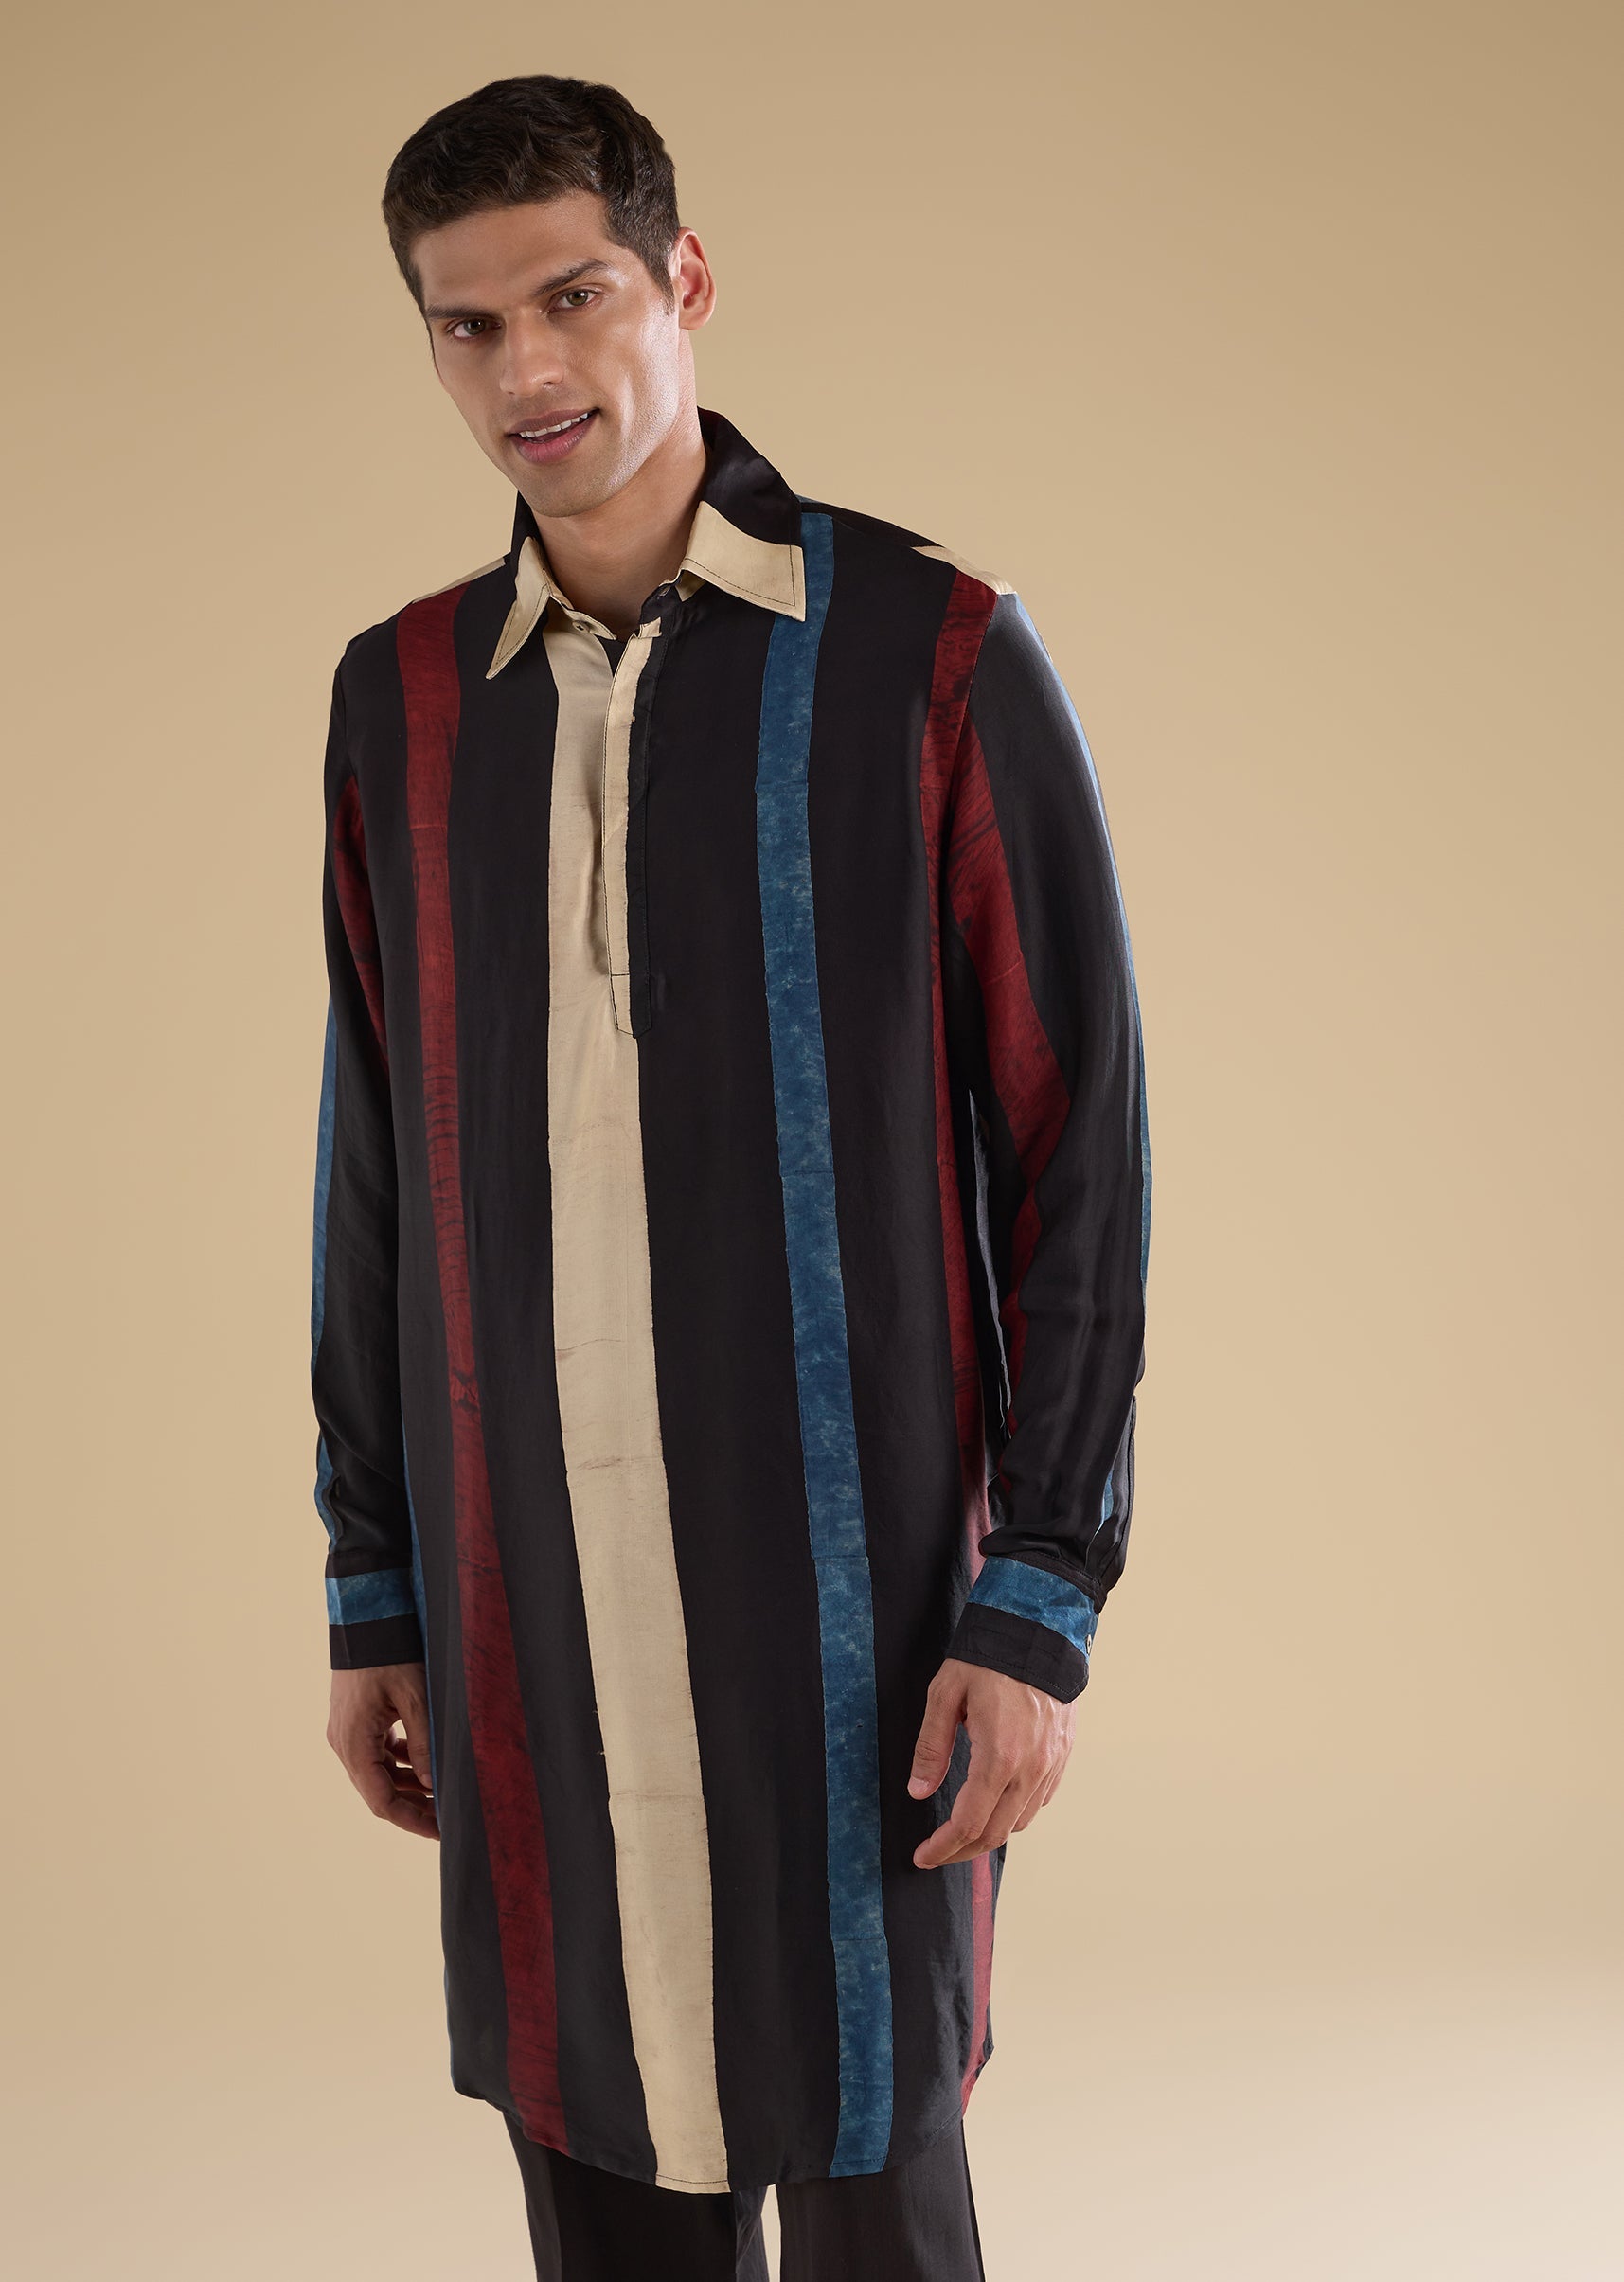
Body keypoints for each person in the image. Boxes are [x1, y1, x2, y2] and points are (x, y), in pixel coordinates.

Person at [310, 71, 1151, 2282]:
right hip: (527, 1610)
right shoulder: (406, 702)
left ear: (682, 281)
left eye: (573, 296)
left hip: (858, 1616)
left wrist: (1038, 1595)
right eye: (467, 323)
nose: (529, 367)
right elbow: (374, 1159)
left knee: (874, 2162)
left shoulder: (927, 655)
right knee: (597, 2169)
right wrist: (376, 1578)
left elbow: (1079, 1147)